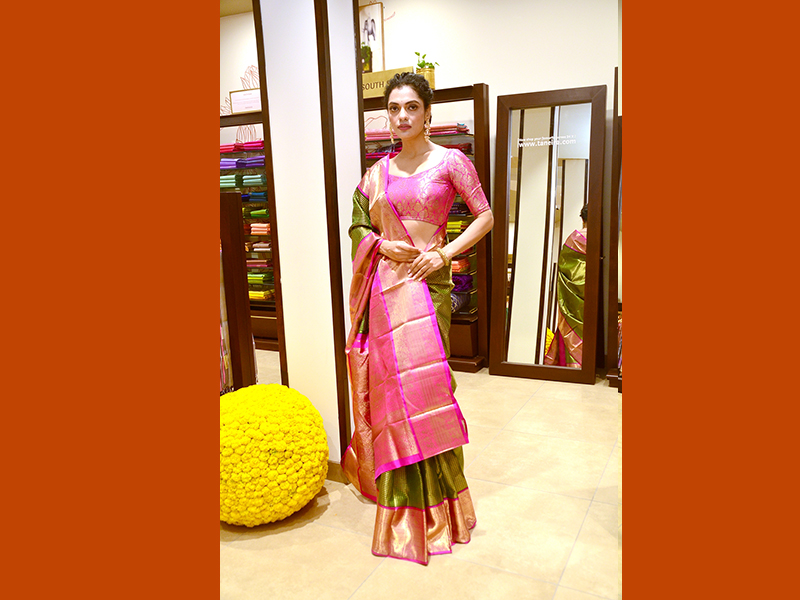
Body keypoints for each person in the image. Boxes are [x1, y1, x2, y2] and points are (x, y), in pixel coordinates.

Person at [341, 72, 493, 565]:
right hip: (385, 292)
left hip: (429, 289)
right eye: (393, 108)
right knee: (392, 393)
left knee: (430, 392)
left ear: (428, 114)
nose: (402, 116)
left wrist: (445, 253)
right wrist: (380, 245)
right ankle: (402, 499)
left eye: (411, 107)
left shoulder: (450, 161)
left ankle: (442, 503)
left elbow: (485, 215)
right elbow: (357, 224)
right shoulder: (377, 173)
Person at [544, 204, 588, 368]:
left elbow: (565, 271)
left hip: (571, 297)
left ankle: (572, 364)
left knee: (569, 327)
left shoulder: (573, 239)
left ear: (582, 219)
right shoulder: (600, 240)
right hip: (590, 295)